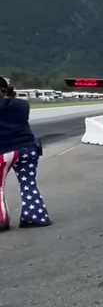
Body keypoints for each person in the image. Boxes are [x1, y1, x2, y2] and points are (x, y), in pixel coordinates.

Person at [0, 77, 52, 231]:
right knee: (28, 184)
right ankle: (35, 217)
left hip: (3, 150)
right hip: (26, 148)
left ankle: (1, 219)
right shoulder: (22, 105)